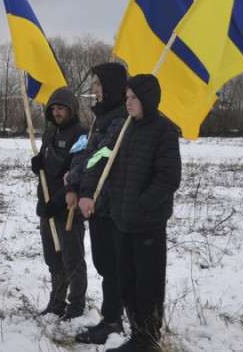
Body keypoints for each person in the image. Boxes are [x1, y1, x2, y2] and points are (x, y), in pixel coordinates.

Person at [105, 74, 181, 352]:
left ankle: (148, 339)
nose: (128, 102)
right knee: (128, 282)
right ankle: (137, 334)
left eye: (133, 97)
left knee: (147, 285)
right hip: (123, 221)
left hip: (147, 223)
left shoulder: (163, 130)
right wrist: (116, 202)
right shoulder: (128, 128)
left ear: (147, 99)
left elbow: (169, 177)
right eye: (126, 97)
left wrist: (143, 205)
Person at [66, 63, 128, 344]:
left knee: (114, 266)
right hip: (98, 204)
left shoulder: (120, 120)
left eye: (99, 84)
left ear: (112, 87)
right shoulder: (101, 119)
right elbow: (86, 154)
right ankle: (110, 319)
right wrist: (72, 183)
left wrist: (82, 184)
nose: (94, 90)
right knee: (104, 264)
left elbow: (101, 157)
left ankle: (115, 321)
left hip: (112, 204)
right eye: (94, 84)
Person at [29, 87, 88, 320]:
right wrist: (38, 165)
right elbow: (48, 171)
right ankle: (56, 301)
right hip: (46, 206)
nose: (56, 112)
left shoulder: (82, 134)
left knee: (72, 258)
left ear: (71, 109)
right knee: (53, 258)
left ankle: (76, 306)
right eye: (53, 109)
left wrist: (57, 201)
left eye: (60, 108)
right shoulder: (49, 133)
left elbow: (78, 173)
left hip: (67, 207)